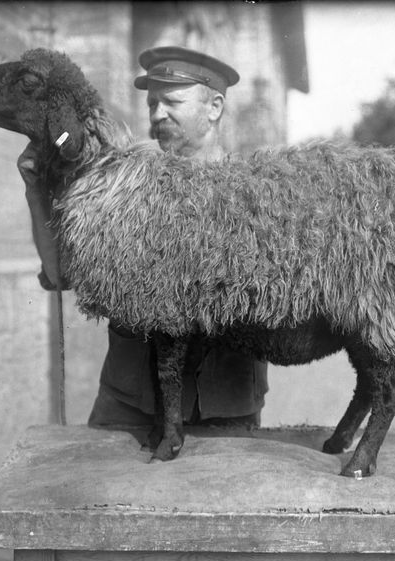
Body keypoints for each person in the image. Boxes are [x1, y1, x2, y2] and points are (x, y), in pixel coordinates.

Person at [18, 46, 269, 433]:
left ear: (214, 107)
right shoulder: (122, 179)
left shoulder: (258, 191)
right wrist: (35, 192)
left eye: (171, 101)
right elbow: (60, 272)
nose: (156, 115)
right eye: (152, 103)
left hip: (221, 407)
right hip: (129, 402)